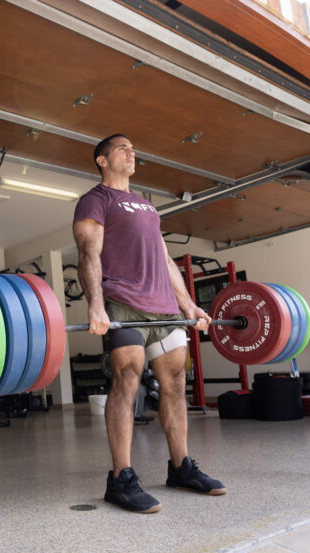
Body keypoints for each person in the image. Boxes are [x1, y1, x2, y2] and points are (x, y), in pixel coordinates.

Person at [73, 134, 226, 514]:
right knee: (127, 380)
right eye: (122, 148)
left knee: (175, 382)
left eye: (134, 148)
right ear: (102, 160)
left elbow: (163, 256)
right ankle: (121, 478)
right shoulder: (97, 199)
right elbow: (88, 252)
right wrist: (96, 305)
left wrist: (188, 303)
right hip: (123, 302)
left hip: (163, 307)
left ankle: (181, 467)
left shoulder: (145, 205)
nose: (132, 152)